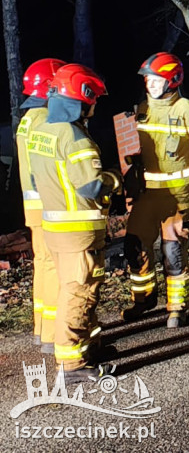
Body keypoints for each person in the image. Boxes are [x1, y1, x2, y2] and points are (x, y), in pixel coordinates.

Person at [27, 64, 119, 382]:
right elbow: (92, 187)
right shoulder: (75, 137)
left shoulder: (42, 132)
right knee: (79, 292)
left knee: (79, 290)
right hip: (78, 232)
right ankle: (71, 364)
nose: (94, 107)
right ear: (83, 97)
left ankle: (88, 347)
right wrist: (114, 180)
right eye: (93, 100)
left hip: (56, 229)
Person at [122, 52, 189, 329]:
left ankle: (177, 308)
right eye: (148, 79)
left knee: (173, 251)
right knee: (134, 246)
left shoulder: (187, 110)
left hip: (176, 195)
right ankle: (144, 299)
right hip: (148, 194)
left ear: (172, 80)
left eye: (155, 79)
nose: (149, 84)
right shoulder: (142, 109)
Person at [15, 58, 65, 353]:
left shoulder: (28, 119)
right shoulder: (46, 119)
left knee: (44, 265)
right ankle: (55, 333)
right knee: (56, 268)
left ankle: (43, 329)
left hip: (33, 206)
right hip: (49, 205)